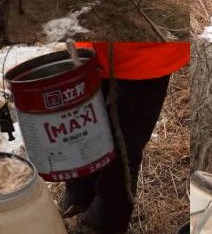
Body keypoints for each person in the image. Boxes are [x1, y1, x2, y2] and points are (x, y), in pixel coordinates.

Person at [60, 42, 190, 234]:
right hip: (91, 52)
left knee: (123, 149)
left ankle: (103, 225)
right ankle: (80, 196)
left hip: (144, 57)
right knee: (84, 129)